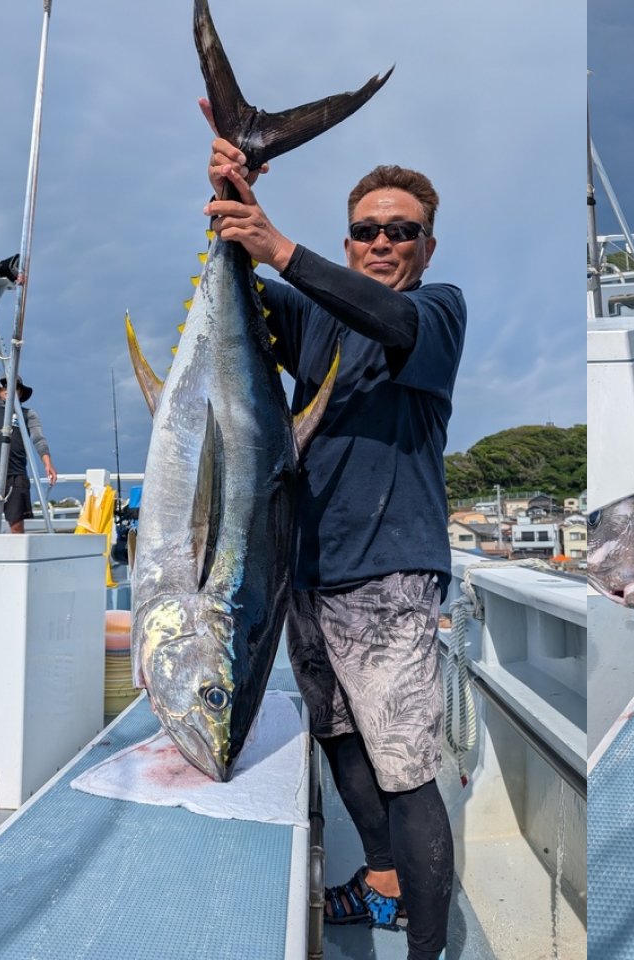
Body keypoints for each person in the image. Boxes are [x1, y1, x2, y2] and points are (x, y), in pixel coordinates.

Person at [204, 101, 463, 960]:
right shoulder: (311, 314)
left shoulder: (436, 313)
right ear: (347, 239)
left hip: (391, 574)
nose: (383, 242)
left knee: (406, 772)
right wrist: (232, 189)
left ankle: (429, 949)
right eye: (366, 230)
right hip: (304, 571)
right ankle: (381, 884)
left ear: (427, 248)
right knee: (342, 741)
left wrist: (279, 247)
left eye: (403, 231)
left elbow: (384, 319)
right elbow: (231, 295)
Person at [0, 377, 57, 534]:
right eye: (4, 387)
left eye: (14, 388)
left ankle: (15, 557)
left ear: (20, 392)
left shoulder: (28, 414)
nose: (8, 390)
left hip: (16, 476)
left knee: (16, 525)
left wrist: (48, 463)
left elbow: (39, 439)